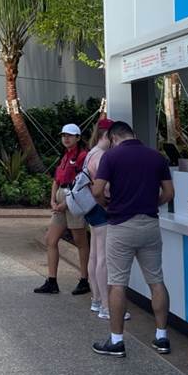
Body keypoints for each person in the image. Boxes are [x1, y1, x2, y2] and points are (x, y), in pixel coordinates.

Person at [90, 120, 174, 357]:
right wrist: (149, 204)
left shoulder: (112, 157)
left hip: (121, 226)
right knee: (156, 280)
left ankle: (116, 341)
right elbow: (169, 193)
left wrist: (107, 205)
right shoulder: (156, 156)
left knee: (117, 283)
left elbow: (97, 190)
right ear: (133, 134)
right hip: (150, 224)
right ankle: (162, 337)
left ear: (113, 138)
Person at [34, 124, 91, 295]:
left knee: (80, 240)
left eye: (70, 135)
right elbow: (56, 180)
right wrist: (52, 199)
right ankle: (52, 281)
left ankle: (84, 279)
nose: (66, 138)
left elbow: (82, 183)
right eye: (64, 135)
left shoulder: (83, 156)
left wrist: (65, 203)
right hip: (61, 198)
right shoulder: (64, 156)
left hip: (73, 200)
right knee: (51, 239)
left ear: (78, 137)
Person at [82, 118, 120, 318]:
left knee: (94, 255)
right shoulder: (103, 156)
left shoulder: (90, 154)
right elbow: (104, 187)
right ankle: (107, 306)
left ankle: (96, 300)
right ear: (109, 135)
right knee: (103, 258)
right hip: (101, 206)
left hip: (90, 209)